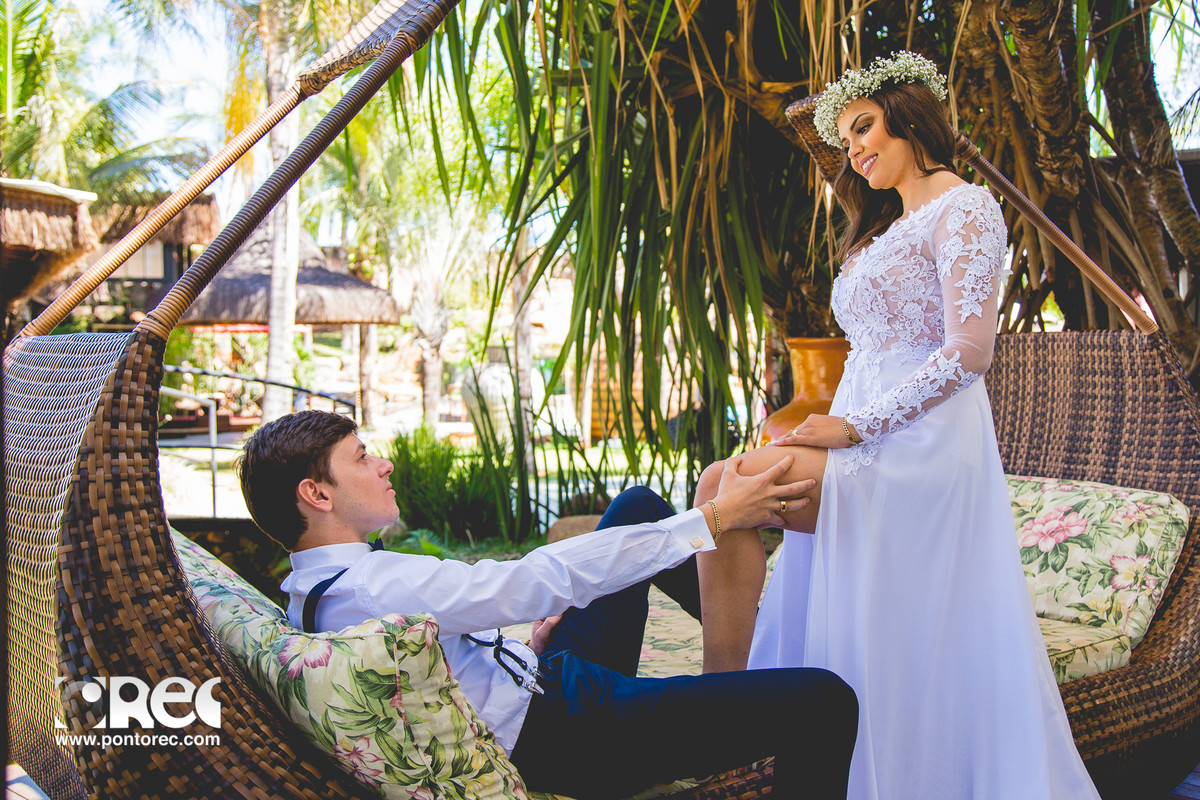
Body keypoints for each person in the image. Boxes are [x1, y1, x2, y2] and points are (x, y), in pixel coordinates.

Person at [691, 52, 1101, 799]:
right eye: (847, 138)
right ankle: (724, 706)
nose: (854, 149)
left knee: (734, 487)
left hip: (924, 446)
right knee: (716, 484)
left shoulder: (965, 207)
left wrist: (852, 431)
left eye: (864, 128)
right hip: (863, 429)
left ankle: (724, 718)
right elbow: (869, 357)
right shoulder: (885, 227)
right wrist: (827, 423)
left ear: (910, 117)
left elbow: (969, 353)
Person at [236, 409, 858, 800]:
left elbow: (424, 673)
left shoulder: (315, 589)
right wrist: (716, 517)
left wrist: (515, 648)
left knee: (636, 504)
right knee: (824, 701)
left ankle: (730, 677)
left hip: (539, 678)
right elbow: (535, 580)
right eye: (362, 457)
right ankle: (737, 701)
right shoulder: (373, 586)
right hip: (574, 732)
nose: (384, 463)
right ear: (316, 493)